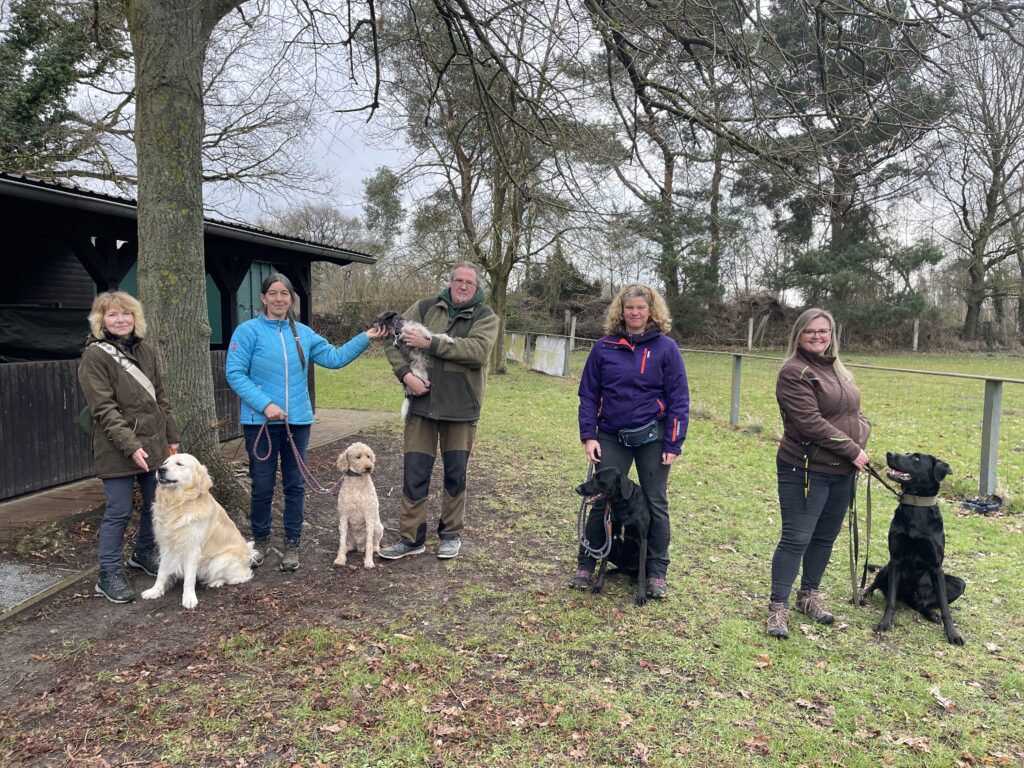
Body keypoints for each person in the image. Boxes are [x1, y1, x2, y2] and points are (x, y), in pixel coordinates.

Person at [225, 272, 385, 572]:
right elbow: (234, 373)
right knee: (261, 485)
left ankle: (292, 544)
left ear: (290, 298)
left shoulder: (303, 334)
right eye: (272, 293)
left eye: (284, 293)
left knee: (295, 485)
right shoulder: (247, 332)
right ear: (263, 298)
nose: (278, 298)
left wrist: (366, 337)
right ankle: (259, 541)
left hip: (297, 422)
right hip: (260, 423)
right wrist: (265, 404)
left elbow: (335, 358)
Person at [573, 283, 689, 599]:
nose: (634, 313)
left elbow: (679, 398)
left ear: (651, 311)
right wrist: (588, 435)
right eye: (629, 308)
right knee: (601, 499)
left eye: (640, 307)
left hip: (652, 437)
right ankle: (587, 563)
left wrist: (673, 443)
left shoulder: (666, 348)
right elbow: (588, 394)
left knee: (655, 502)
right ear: (620, 311)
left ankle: (655, 573)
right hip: (611, 435)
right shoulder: (604, 347)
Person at [378, 262, 499, 561]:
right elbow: (394, 338)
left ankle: (450, 535)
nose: (462, 286)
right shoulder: (425, 307)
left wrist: (430, 343)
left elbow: (477, 352)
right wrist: (406, 374)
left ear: (477, 287)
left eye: (468, 283)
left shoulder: (486, 316)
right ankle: (411, 538)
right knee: (414, 473)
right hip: (421, 407)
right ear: (450, 282)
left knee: (455, 474)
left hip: (461, 408)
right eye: (457, 280)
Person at [766, 308, 870, 639]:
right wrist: (853, 449)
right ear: (798, 334)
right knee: (796, 537)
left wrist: (862, 433)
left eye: (824, 331)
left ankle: (808, 595)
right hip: (806, 468)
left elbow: (854, 412)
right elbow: (809, 422)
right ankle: (778, 607)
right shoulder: (794, 373)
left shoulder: (836, 370)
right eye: (811, 331)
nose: (818, 336)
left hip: (841, 471)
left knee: (825, 536)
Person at [78, 291, 180, 604]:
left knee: (156, 505)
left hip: (154, 442)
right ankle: (107, 572)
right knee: (119, 510)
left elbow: (159, 397)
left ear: (135, 318)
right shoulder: (95, 356)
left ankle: (142, 551)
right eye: (112, 315)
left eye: (126, 314)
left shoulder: (146, 350)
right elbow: (103, 409)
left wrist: (171, 436)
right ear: (101, 320)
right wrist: (130, 445)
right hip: (115, 448)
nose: (121, 320)